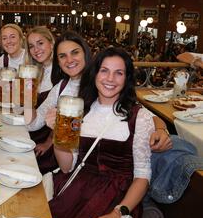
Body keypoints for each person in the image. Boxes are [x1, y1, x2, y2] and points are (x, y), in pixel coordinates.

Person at [50, 47, 154, 218]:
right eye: (104, 70)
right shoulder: (80, 108)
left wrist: (119, 213)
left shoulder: (139, 117)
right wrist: (59, 135)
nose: (110, 79)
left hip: (119, 199)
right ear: (95, 73)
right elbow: (67, 167)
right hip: (77, 189)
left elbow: (142, 176)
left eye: (119, 73)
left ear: (127, 78)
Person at [25, 31, 171, 155]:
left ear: (85, 53)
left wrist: (160, 130)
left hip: (99, 159)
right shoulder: (61, 87)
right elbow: (33, 125)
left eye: (75, 52)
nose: (69, 60)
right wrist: (27, 95)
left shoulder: (104, 84)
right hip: (69, 156)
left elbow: (148, 116)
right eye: (63, 56)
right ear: (58, 61)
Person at [25, 26, 56, 174]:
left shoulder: (62, 72)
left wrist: (48, 142)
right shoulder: (35, 72)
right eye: (31, 46)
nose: (36, 49)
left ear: (51, 43)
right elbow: (29, 116)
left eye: (40, 43)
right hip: (33, 130)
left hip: (49, 141)